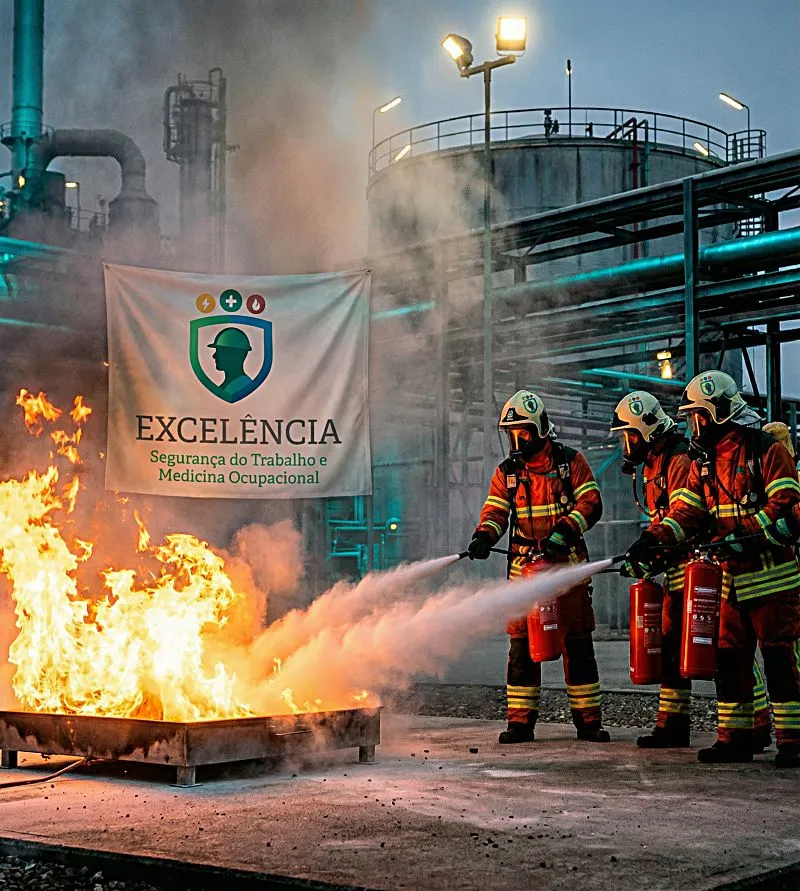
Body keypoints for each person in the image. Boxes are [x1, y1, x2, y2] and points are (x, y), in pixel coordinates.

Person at [625, 372, 800, 768]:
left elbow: (785, 504)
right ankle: (734, 740)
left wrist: (745, 533)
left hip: (772, 580)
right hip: (730, 582)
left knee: (779, 663)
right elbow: (687, 512)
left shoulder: (766, 449)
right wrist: (654, 539)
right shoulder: (702, 462)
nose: (693, 425)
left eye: (698, 416)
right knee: (729, 663)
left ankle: (793, 742)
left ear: (719, 412)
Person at [468, 390, 609, 744]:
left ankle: (588, 723)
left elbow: (591, 503)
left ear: (541, 429)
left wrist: (565, 531)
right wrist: (484, 536)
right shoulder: (507, 473)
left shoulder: (570, 462)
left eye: (524, 432)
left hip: (566, 574)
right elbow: (496, 511)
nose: (518, 441)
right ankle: (520, 724)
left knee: (578, 648)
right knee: (521, 651)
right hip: (524, 577)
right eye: (512, 434)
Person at [208, 328, 255, 399]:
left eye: (220, 351)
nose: (214, 356)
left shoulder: (243, 386)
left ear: (233, 355)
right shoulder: (229, 387)